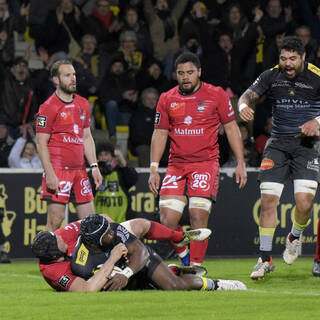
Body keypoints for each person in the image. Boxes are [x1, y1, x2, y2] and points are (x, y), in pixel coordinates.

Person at [148, 52, 247, 267]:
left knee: (197, 214)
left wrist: (241, 162)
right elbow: (160, 133)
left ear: (199, 72)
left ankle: (195, 265)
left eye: (190, 72)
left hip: (205, 163)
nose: (185, 77)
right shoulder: (167, 98)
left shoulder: (216, 94)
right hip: (176, 165)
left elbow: (231, 127)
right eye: (181, 73)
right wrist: (154, 168)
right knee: (167, 221)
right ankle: (183, 255)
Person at [238, 36, 320, 280]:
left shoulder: (316, 76)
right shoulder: (271, 76)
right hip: (277, 146)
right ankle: (264, 258)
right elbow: (247, 96)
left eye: (293, 59)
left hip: (307, 146)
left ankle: (294, 236)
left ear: (303, 57)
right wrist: (243, 106)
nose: (288, 64)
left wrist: (316, 121)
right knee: (268, 200)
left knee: (304, 204)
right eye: (283, 58)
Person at [31, 214, 213, 291]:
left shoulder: (63, 233)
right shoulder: (54, 271)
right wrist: (114, 257)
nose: (60, 236)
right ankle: (169, 270)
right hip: (91, 270)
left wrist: (116, 239)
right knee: (110, 279)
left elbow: (102, 219)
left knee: (140, 225)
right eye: (57, 241)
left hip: (99, 244)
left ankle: (178, 237)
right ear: (56, 255)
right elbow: (87, 289)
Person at [71, 214, 245, 291]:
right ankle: (170, 268)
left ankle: (217, 284)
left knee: (174, 286)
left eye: (110, 229)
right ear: (95, 242)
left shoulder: (115, 229)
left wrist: (126, 273)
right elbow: (92, 286)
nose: (113, 232)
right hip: (123, 273)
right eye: (107, 234)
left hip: (138, 262)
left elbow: (141, 252)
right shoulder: (81, 263)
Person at [35, 60, 102, 231]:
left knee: (91, 222)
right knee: (55, 220)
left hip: (80, 170)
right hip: (58, 170)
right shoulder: (48, 107)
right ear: (56, 80)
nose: (73, 79)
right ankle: (48, 257)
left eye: (74, 75)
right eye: (67, 75)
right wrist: (49, 173)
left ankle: (89, 258)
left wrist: (94, 166)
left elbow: (87, 137)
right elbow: (41, 143)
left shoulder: (83, 104)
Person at [94, 142, 138, 223]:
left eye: (106, 154)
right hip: (100, 223)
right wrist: (95, 166)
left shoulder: (120, 171)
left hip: (122, 222)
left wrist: (121, 159)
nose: (103, 157)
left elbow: (133, 179)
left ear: (112, 156)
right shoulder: (94, 174)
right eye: (100, 155)